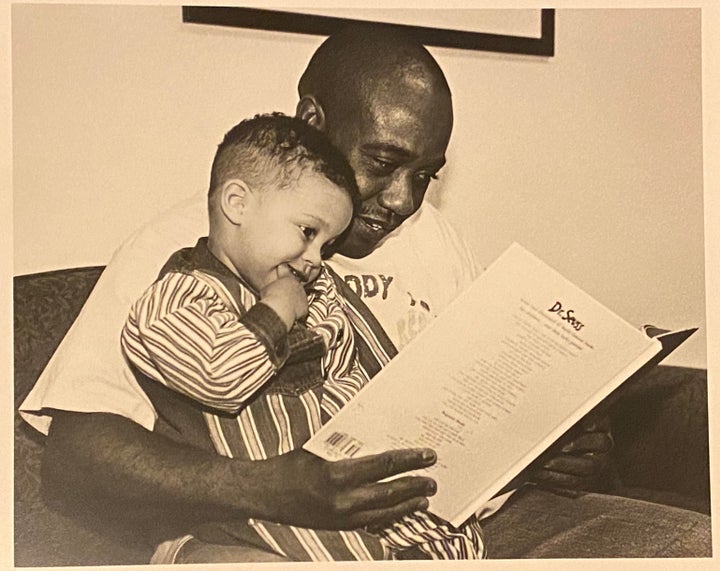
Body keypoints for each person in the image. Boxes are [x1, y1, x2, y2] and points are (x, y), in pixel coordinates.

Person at [20, 25, 710, 561]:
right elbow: (75, 455)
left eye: (427, 175)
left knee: (694, 546)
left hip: (456, 527)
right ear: (313, 119)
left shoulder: (435, 240)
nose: (404, 200)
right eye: (384, 163)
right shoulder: (196, 241)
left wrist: (553, 445)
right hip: (261, 529)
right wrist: (267, 485)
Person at [120, 112, 484, 561]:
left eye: (326, 246)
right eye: (308, 233)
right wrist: (276, 310)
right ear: (237, 204)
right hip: (265, 511)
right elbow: (219, 377)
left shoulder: (315, 284)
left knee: (452, 534)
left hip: (344, 470)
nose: (315, 259)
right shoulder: (178, 294)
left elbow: (350, 366)